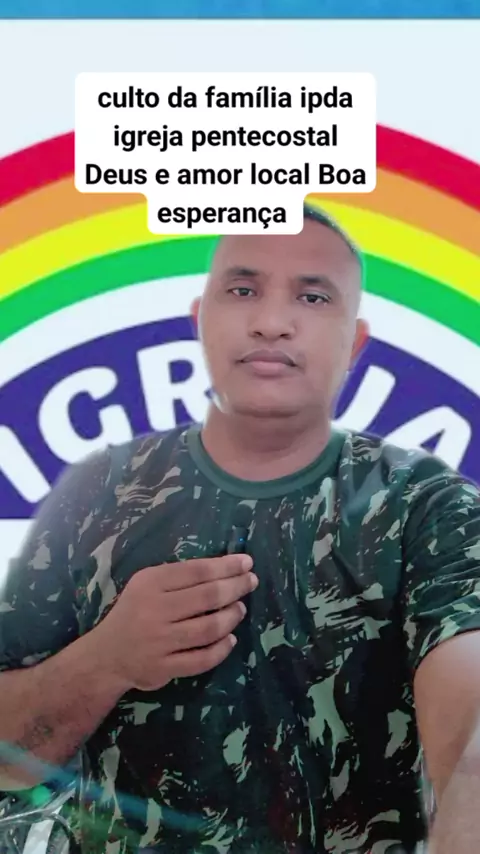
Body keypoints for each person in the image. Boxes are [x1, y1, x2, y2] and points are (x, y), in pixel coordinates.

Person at [0, 206, 479, 854]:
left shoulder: (424, 504)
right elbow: (7, 760)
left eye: (313, 296)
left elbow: (471, 741)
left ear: (354, 342)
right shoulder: (95, 492)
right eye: (244, 289)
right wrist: (106, 658)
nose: (272, 321)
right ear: (202, 319)